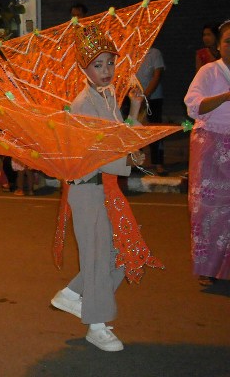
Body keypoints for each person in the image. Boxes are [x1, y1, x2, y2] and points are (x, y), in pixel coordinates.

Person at [50, 24, 144, 353]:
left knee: (123, 251)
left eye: (110, 63)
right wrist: (128, 160)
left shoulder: (107, 97)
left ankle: (74, 295)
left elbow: (119, 137)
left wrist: (132, 110)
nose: (106, 71)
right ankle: (97, 325)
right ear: (83, 69)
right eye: (98, 65)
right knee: (98, 255)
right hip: (87, 188)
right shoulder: (82, 105)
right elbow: (99, 154)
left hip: (105, 188)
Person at [184, 19, 230, 287]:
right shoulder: (209, 72)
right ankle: (209, 267)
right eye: (227, 41)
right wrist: (224, 97)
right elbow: (193, 106)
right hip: (210, 145)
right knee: (208, 209)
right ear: (220, 45)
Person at [135, 46, 166, 174]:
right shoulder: (132, 52)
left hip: (153, 98)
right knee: (135, 130)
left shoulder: (154, 53)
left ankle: (158, 163)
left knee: (155, 130)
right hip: (134, 98)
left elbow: (156, 76)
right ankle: (136, 163)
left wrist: (145, 96)